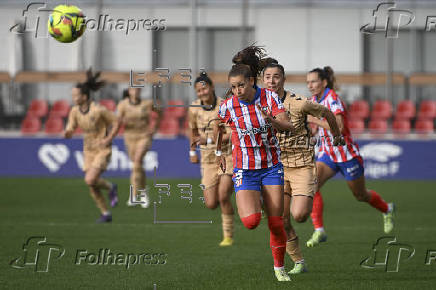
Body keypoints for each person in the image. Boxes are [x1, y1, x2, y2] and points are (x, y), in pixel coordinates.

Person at [216, 46, 294, 281]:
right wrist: (219, 151)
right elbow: (219, 126)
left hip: (271, 167)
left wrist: (270, 119)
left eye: (241, 85)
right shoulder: (229, 105)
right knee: (251, 222)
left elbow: (287, 126)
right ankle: (258, 197)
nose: (237, 91)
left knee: (276, 223)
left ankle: (279, 268)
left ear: (251, 81)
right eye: (233, 87)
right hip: (244, 168)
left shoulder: (269, 98)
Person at [262, 59, 343, 274]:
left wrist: (336, 135)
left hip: (302, 166)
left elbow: (327, 113)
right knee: (281, 220)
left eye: (276, 77)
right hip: (276, 168)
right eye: (267, 77)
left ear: (284, 79)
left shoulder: (299, 103)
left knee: (299, 215)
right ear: (262, 80)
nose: (271, 81)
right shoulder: (257, 104)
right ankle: (299, 262)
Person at [306, 66, 395, 247]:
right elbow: (315, 128)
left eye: (313, 81)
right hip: (328, 154)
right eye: (308, 82)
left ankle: (387, 209)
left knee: (360, 195)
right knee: (310, 185)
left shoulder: (333, 99)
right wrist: (311, 130)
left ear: (323, 82)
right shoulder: (313, 100)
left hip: (346, 154)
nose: (310, 85)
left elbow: (337, 126)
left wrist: (313, 120)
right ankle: (319, 230)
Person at [63, 69, 119, 223]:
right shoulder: (74, 111)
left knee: (89, 179)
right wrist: (67, 132)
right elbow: (71, 126)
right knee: (92, 185)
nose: (73, 98)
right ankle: (106, 213)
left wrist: (109, 138)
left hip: (102, 148)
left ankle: (110, 187)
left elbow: (116, 122)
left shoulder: (99, 110)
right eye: (73, 95)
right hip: (88, 150)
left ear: (85, 96)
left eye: (76, 95)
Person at [188, 72, 235, 247]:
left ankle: (228, 236)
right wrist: (192, 151)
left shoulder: (224, 105)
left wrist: (208, 140)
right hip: (207, 160)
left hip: (226, 156)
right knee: (211, 203)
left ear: (212, 87)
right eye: (198, 91)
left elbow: (231, 134)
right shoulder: (193, 107)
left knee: (223, 196)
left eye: (204, 88)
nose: (202, 93)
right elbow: (192, 131)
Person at [116, 87, 161, 208]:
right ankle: (143, 193)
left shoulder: (147, 103)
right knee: (138, 166)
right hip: (129, 137)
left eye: (137, 89)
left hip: (144, 136)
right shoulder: (122, 105)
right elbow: (117, 121)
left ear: (140, 91)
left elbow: (159, 112)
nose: (135, 92)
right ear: (129, 92)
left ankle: (134, 194)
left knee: (137, 161)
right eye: (132, 89)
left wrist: (154, 128)